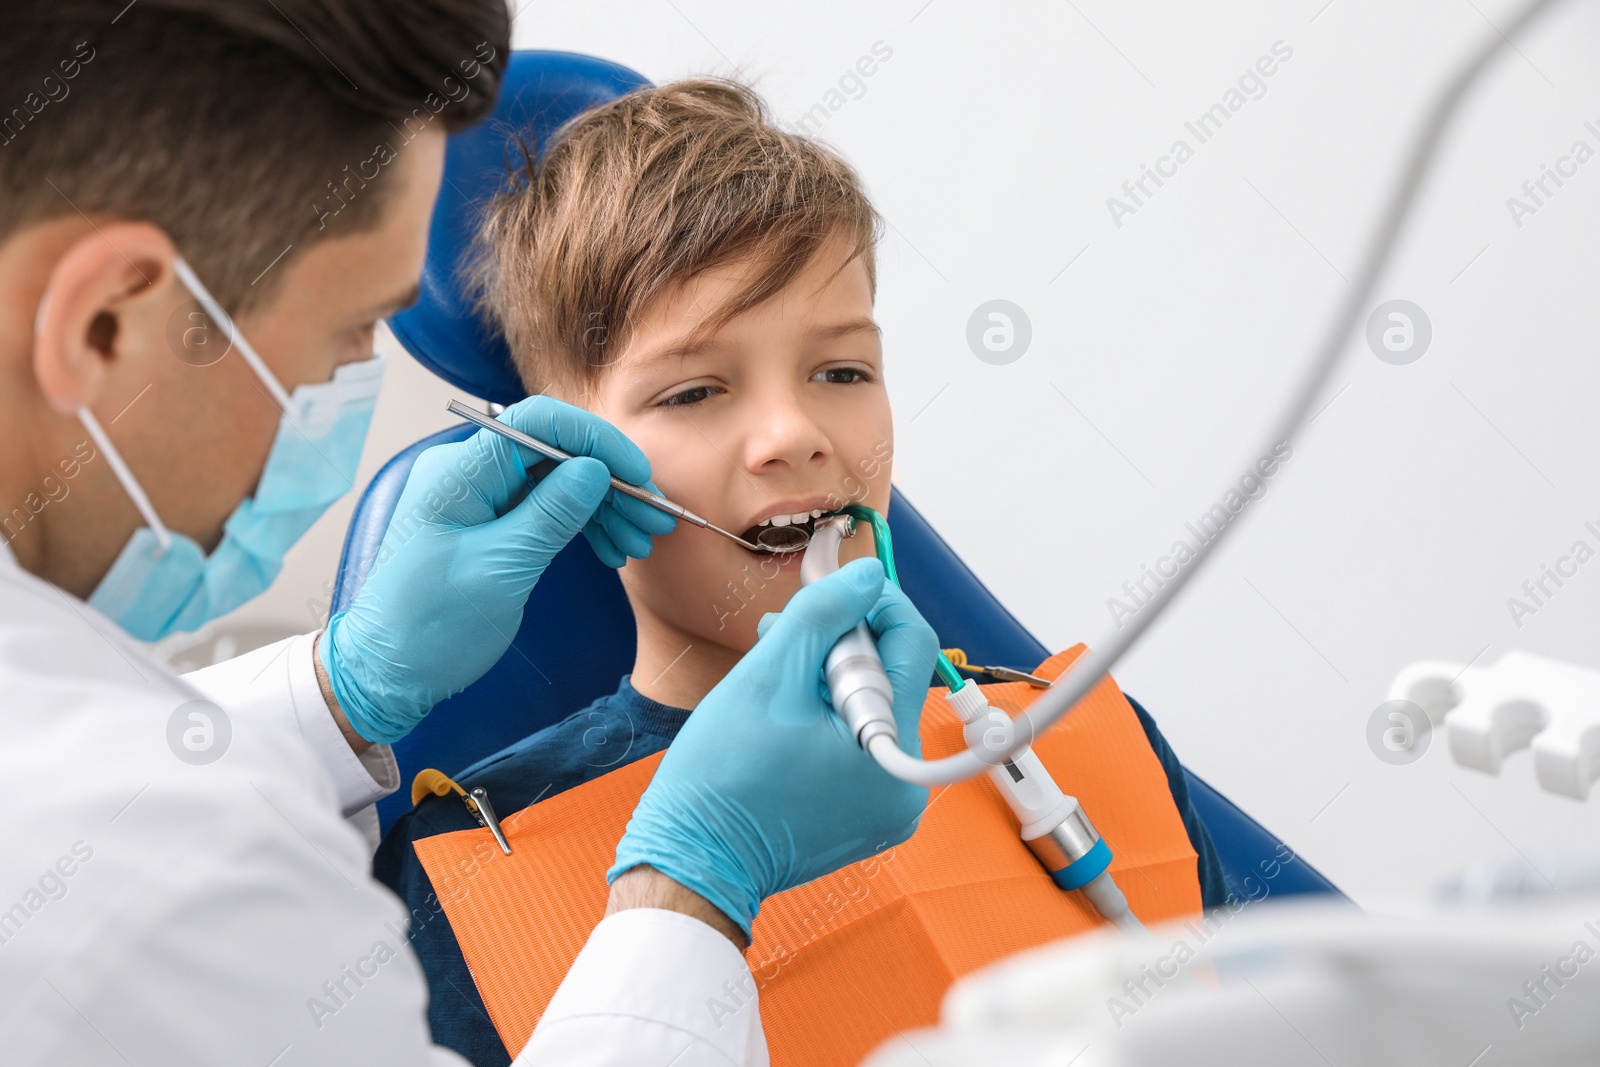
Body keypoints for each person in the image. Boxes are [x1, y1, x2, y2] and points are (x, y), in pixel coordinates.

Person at [0, 4, 939, 1065]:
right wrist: (695, 880)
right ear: (103, 322)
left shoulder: (1056, 726)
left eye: (844, 370)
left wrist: (345, 687)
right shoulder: (315, 894)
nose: (793, 433)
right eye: (353, 325)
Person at [376, 77, 1227, 1066]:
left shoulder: (1076, 734)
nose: (795, 433)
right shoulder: (466, 870)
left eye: (841, 372)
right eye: (695, 389)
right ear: (568, 458)